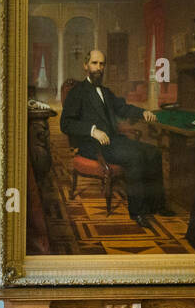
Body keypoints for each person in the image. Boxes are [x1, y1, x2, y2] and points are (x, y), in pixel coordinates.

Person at [60, 49, 166, 225]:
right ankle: (137, 212)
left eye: (102, 64)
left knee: (154, 152)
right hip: (92, 145)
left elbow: (123, 108)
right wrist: (92, 130)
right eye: (94, 63)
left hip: (113, 141)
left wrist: (143, 112)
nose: (99, 68)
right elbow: (66, 124)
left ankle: (157, 205)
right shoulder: (77, 92)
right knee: (135, 156)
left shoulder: (106, 92)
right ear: (85, 65)